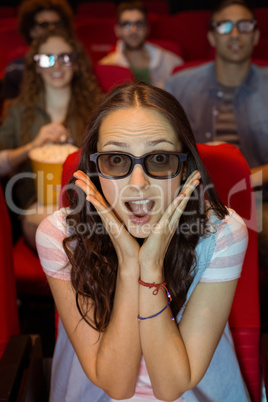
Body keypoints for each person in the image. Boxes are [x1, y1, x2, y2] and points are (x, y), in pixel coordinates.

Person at [36, 82, 250, 401]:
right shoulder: (62, 235)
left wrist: (150, 268)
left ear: (184, 167)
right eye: (117, 161)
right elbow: (116, 384)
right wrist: (128, 265)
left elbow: (173, 385)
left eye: (160, 158)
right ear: (95, 169)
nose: (138, 184)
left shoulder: (222, 233)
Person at [165, 0, 268, 280]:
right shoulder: (179, 85)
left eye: (244, 25)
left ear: (256, 35)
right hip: (192, 195)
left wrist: (246, 180)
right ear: (211, 36)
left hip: (259, 197)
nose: (235, 34)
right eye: (224, 26)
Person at [0, 28, 102, 248]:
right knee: (49, 227)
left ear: (76, 63)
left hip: (89, 205)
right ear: (37, 65)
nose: (56, 66)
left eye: (65, 58)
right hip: (37, 208)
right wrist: (32, 147)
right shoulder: (19, 110)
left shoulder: (98, 107)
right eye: (48, 59)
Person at [0, 0, 74, 106]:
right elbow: (8, 114)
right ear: (31, 30)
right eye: (43, 24)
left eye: (57, 24)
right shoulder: (16, 68)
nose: (52, 29)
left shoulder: (75, 64)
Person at [99, 1, 183, 89]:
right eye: (127, 24)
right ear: (117, 30)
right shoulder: (107, 66)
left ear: (147, 28)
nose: (133, 30)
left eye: (139, 24)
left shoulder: (171, 62)